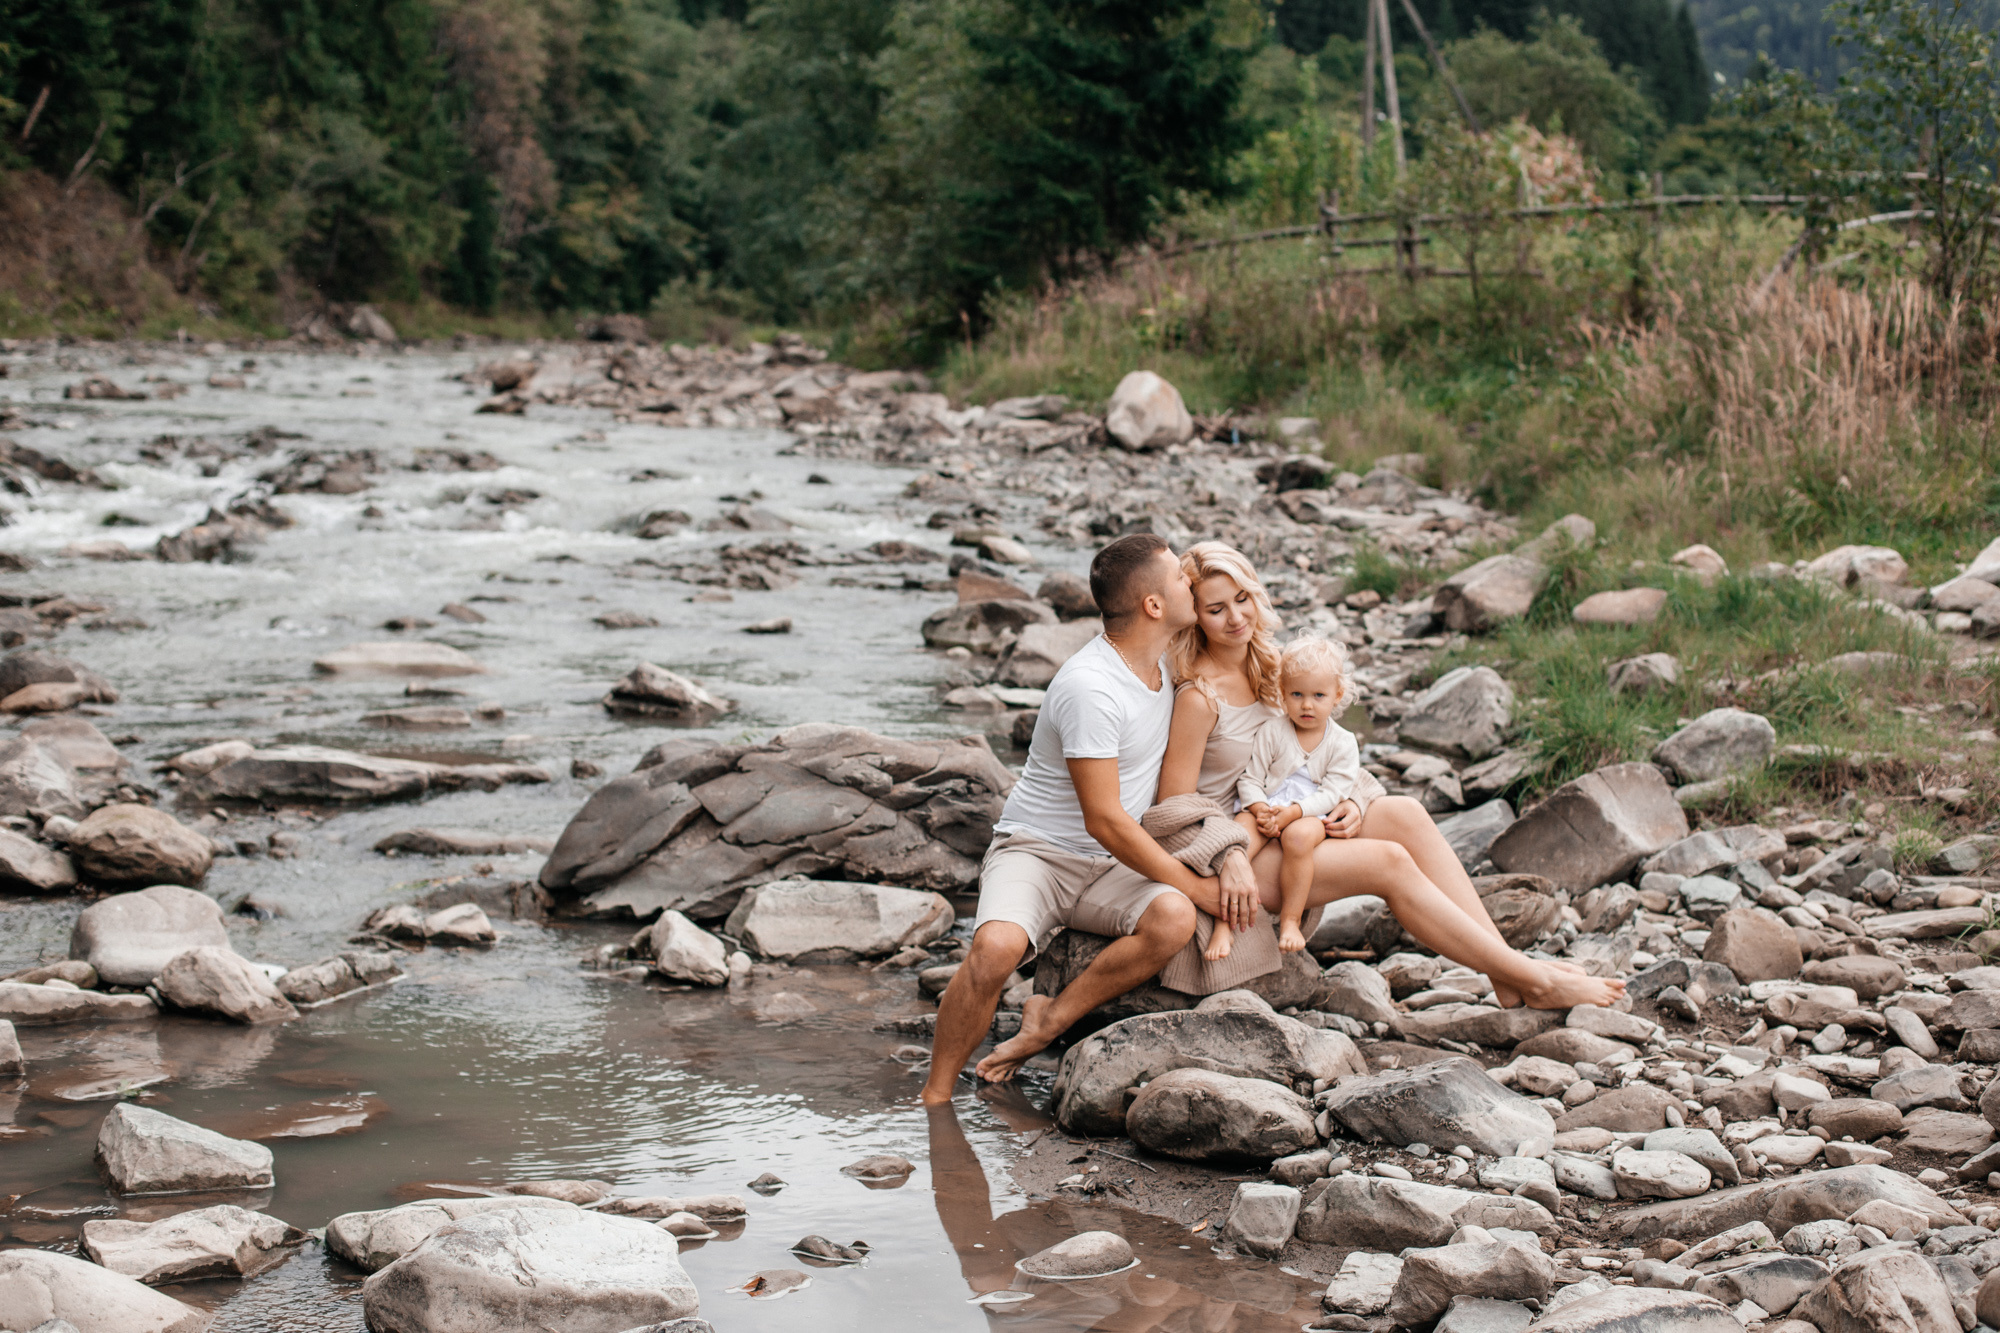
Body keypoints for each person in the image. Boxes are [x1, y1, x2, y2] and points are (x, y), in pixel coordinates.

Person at [1159, 540, 1623, 1012]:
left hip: (1296, 816)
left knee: (1405, 813)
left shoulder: (1275, 668)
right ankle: (1535, 981)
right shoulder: (1199, 697)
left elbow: (1326, 747)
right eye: (1216, 609)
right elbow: (1173, 810)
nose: (1236, 617)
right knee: (1389, 861)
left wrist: (1351, 802)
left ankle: (1506, 973)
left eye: (1243, 599)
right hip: (1242, 850)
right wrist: (1230, 859)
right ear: (1194, 616)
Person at [919, 533, 1250, 1104]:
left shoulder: (1167, 657)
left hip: (1112, 867)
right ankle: (936, 1098)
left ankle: (1048, 1021)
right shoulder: (1091, 687)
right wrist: (1197, 886)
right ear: (1153, 605)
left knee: (1171, 920)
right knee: (995, 950)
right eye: (1180, 579)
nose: (1191, 582)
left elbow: (1248, 647)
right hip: (1039, 852)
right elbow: (1105, 820)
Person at [1213, 634, 1363, 960]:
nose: (1307, 705)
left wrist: (1295, 812)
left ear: (1337, 695)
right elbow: (1250, 778)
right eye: (1297, 694)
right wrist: (1259, 809)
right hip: (1266, 803)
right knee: (1236, 841)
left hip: (1309, 812)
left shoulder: (1342, 742)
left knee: (1299, 839)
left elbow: (1334, 792)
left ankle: (1291, 921)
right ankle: (1222, 923)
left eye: (1318, 695)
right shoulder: (1273, 731)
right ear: (1282, 693)